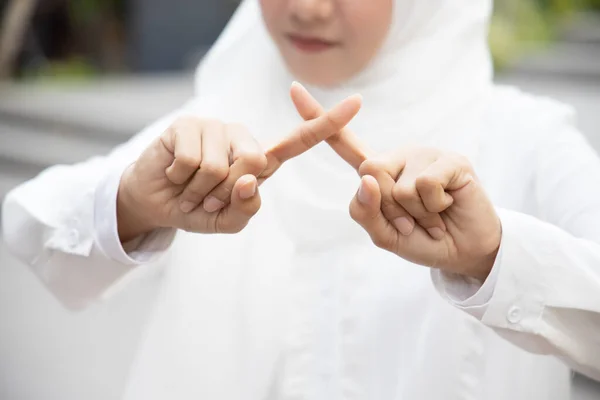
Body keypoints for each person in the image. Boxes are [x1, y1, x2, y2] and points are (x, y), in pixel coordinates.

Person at [3, 0, 600, 398]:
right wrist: (133, 201)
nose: (307, 8)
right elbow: (37, 228)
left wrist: (494, 256)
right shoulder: (218, 123)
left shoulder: (525, 141)